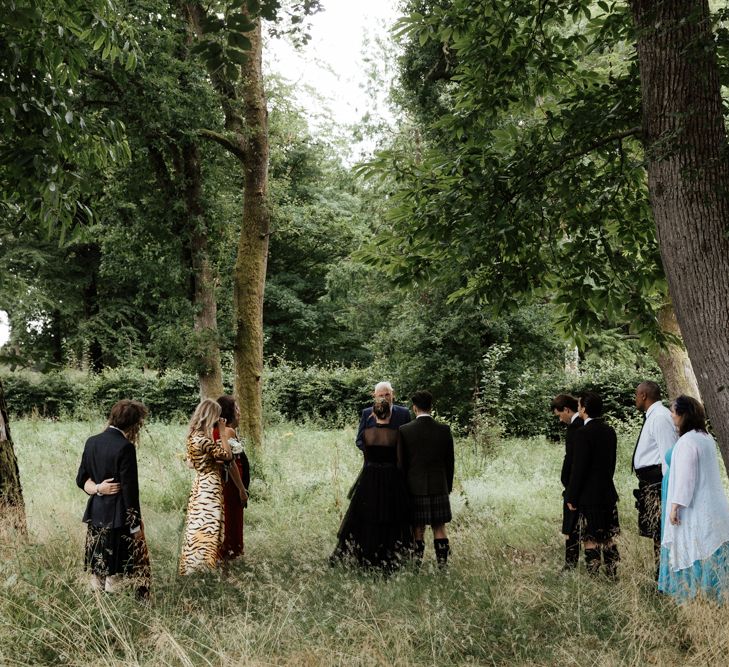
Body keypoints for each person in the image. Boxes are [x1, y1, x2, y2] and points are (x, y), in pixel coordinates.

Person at [76, 399, 151, 598]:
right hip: (117, 518)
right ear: (134, 424)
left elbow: (81, 479)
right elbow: (130, 491)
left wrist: (98, 488)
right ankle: (112, 610)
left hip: (95, 514)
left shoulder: (92, 441)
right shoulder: (125, 447)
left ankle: (97, 607)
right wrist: (135, 526)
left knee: (96, 569)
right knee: (114, 573)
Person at [659, 396, 729, 602]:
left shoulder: (688, 441)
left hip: (696, 507)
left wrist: (674, 507)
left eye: (673, 411)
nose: (671, 415)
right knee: (711, 549)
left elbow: (685, 479)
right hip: (714, 506)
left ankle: (699, 597)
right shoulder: (705, 437)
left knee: (697, 549)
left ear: (683, 414)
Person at [331, 397, 414, 570]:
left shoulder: (367, 434)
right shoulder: (396, 434)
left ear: (374, 415)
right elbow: (400, 461)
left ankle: (367, 556)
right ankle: (388, 556)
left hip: (370, 477)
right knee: (390, 516)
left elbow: (367, 458)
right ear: (389, 415)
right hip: (391, 478)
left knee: (367, 515)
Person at [565, 391, 620, 578]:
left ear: (584, 409)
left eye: (579, 406)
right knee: (608, 536)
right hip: (607, 491)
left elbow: (578, 469)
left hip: (588, 494)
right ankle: (612, 574)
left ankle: (594, 576)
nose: (578, 409)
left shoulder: (582, 433)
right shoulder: (609, 431)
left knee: (590, 536)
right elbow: (611, 463)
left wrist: (571, 496)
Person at [397, 390, 455, 568]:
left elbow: (401, 464)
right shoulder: (444, 430)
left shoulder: (404, 431)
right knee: (439, 527)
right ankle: (442, 567)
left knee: (418, 529)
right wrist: (448, 486)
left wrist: (403, 489)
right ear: (431, 407)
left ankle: (416, 568)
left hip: (415, 488)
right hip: (439, 486)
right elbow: (449, 462)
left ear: (414, 408)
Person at [179, 399, 233, 575]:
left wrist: (209, 462)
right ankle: (204, 566)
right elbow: (227, 456)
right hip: (210, 485)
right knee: (209, 523)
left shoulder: (193, 436)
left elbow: (190, 463)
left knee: (197, 523)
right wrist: (223, 434)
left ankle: (195, 563)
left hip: (200, 482)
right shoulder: (204, 440)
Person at [633, 381, 678, 579]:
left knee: (661, 530)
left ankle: (664, 576)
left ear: (643, 395)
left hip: (658, 482)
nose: (635, 399)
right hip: (649, 482)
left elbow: (668, 455)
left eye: (636, 395)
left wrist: (669, 490)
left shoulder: (659, 417)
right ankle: (661, 574)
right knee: (655, 530)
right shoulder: (652, 416)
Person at [551, 394, 584, 571]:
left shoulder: (577, 427)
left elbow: (574, 460)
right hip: (571, 484)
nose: (560, 420)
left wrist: (570, 487)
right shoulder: (576, 426)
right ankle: (569, 563)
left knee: (572, 526)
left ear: (567, 409)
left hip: (575, 486)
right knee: (571, 526)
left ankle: (570, 564)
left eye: (559, 415)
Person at [216, 395, 249, 561]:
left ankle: (229, 552)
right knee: (231, 517)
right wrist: (242, 489)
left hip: (232, 483)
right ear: (229, 412)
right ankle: (229, 553)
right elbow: (230, 463)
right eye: (237, 409)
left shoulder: (226, 431)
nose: (240, 412)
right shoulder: (228, 431)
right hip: (232, 484)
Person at [355, 381, 411, 450]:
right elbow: (359, 440)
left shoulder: (404, 413)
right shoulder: (367, 413)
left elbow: (409, 440)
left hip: (396, 459)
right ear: (375, 396)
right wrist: (372, 453)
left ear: (392, 394)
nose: (384, 398)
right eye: (381, 395)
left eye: (387, 394)